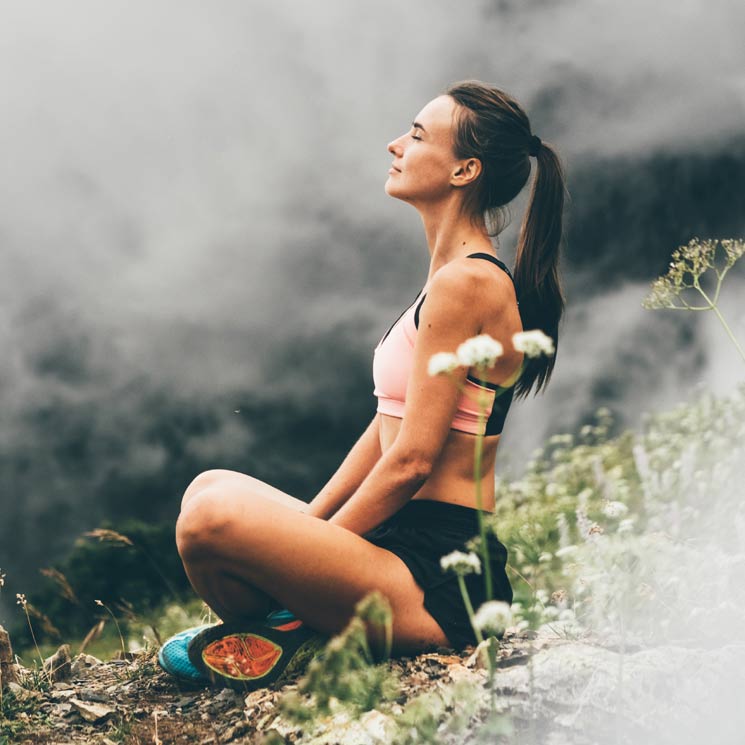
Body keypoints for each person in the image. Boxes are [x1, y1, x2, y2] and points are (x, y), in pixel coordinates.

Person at [158, 79, 567, 690]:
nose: (395, 144)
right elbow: (386, 430)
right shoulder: (449, 279)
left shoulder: (469, 284)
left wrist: (307, 552)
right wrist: (309, 540)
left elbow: (412, 461)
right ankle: (296, 628)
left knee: (209, 520)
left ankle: (290, 628)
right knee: (210, 487)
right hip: (394, 545)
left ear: (464, 170)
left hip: (439, 575)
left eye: (419, 135)